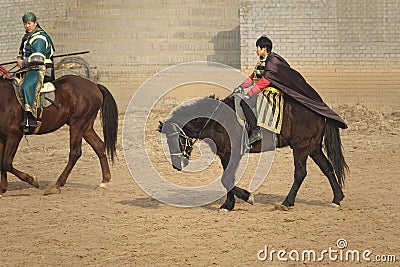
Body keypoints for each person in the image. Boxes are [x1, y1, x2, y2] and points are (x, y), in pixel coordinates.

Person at [234, 36, 347, 144]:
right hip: (263, 91)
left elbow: (264, 81)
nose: (256, 51)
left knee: (244, 102)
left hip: (270, 93)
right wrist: (241, 87)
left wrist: (249, 93)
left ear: (264, 49)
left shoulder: (271, 62)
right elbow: (253, 77)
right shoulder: (262, 61)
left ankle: (256, 130)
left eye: (258, 48)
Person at [17, 12, 55, 128]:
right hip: (28, 68)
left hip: (39, 69)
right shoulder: (27, 37)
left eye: (29, 23)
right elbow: (22, 52)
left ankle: (31, 117)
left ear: (35, 23)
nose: (27, 26)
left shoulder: (39, 38)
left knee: (25, 86)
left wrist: (23, 62)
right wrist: (19, 58)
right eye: (25, 24)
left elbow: (38, 58)